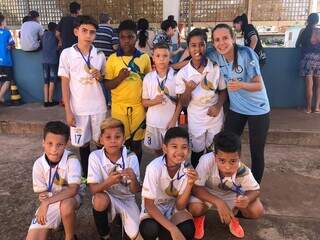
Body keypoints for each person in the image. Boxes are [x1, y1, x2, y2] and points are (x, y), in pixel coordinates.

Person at [208, 24, 270, 184]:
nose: (221, 43)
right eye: (217, 40)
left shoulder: (246, 53)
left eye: (225, 38)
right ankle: (229, 182)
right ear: (213, 43)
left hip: (258, 109)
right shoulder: (215, 55)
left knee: (256, 152)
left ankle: (253, 189)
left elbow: (258, 85)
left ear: (233, 39)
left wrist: (241, 85)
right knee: (226, 146)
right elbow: (196, 55)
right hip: (237, 109)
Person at [189, 131, 264, 239]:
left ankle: (233, 216)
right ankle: (199, 217)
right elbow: (196, 188)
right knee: (194, 208)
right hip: (208, 193)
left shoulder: (242, 170)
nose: (227, 167)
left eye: (233, 161)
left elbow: (256, 190)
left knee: (257, 210)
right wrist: (218, 202)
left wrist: (246, 199)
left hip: (232, 196)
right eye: (222, 160)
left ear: (239, 157)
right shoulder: (206, 161)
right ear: (215, 157)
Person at [58, 15, 107, 178]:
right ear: (76, 31)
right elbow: (65, 83)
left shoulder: (99, 54)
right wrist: (68, 110)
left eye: (92, 32)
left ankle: (100, 173)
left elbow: (104, 78)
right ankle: (87, 175)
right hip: (78, 108)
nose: (88, 35)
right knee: (83, 144)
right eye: (84, 31)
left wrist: (100, 76)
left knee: (100, 142)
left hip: (98, 106)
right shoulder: (67, 54)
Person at [176, 28, 227, 167]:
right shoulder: (183, 74)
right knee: (197, 152)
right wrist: (188, 90)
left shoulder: (215, 68)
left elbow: (223, 91)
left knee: (213, 151)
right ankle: (198, 180)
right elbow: (184, 103)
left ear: (206, 46)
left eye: (201, 44)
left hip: (214, 117)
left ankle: (211, 180)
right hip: (196, 117)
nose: (198, 48)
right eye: (193, 45)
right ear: (188, 48)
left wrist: (218, 106)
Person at [105, 19, 152, 162]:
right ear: (118, 38)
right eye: (123, 37)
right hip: (119, 108)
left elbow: (148, 83)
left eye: (130, 37)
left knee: (137, 144)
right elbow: (107, 85)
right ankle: (123, 173)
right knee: (121, 143)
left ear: (136, 37)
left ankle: (135, 176)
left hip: (138, 107)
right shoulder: (112, 59)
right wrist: (119, 78)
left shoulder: (144, 58)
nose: (126, 41)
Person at [26, 121, 82, 240]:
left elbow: (73, 190)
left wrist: (46, 202)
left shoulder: (72, 160)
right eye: (49, 143)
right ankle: (54, 226)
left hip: (71, 198)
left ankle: (69, 237)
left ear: (66, 144)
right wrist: (43, 198)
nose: (54, 149)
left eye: (59, 145)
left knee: (66, 206)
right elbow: (42, 192)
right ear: (43, 142)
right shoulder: (38, 164)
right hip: (51, 200)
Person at [140, 127, 197, 240]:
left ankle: (165, 233)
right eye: (174, 146)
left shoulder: (187, 168)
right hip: (154, 207)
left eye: (184, 147)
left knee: (188, 229)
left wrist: (190, 184)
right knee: (149, 229)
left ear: (188, 150)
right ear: (165, 148)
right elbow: (149, 205)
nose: (180, 152)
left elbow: (180, 206)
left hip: (173, 207)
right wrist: (172, 228)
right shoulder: (154, 168)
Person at [87, 117, 141, 240]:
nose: (113, 141)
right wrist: (108, 182)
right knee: (99, 199)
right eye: (108, 137)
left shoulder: (131, 157)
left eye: (117, 137)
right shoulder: (95, 156)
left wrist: (133, 179)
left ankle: (119, 220)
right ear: (101, 139)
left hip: (127, 199)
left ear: (123, 139)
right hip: (107, 196)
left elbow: (135, 190)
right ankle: (104, 234)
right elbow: (93, 190)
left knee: (137, 236)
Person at [142, 43, 182, 155]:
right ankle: (160, 166)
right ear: (153, 58)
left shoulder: (176, 77)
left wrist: (174, 120)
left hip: (170, 123)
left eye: (165, 56)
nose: (161, 59)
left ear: (170, 58)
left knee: (171, 151)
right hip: (152, 122)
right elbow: (144, 102)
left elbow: (180, 101)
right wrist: (154, 101)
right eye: (158, 56)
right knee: (157, 149)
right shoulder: (148, 78)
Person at [296, 13, 320, 113]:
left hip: (306, 59)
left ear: (308, 20)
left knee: (309, 85)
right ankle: (317, 108)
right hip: (319, 59)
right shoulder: (319, 31)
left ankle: (309, 108)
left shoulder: (303, 31)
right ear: (317, 21)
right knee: (319, 85)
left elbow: (297, 45)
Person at [42, 22, 59, 107]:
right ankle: (50, 100)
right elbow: (57, 47)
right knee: (52, 81)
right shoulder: (55, 36)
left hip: (44, 61)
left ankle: (45, 101)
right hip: (53, 61)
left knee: (46, 81)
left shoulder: (44, 35)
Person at [0, 13, 15, 105]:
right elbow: (12, 44)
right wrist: (10, 46)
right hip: (6, 61)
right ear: (1, 22)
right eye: (5, 21)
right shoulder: (6, 32)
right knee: (7, 80)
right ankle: (0, 96)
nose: (6, 23)